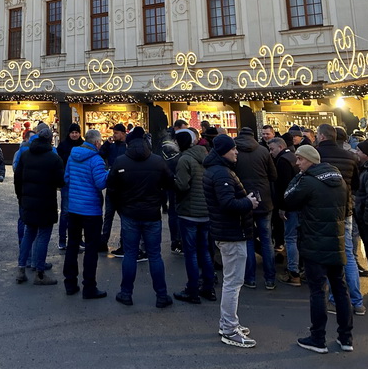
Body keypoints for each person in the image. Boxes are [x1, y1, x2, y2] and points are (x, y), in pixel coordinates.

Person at [283, 144, 353, 353]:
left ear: (310, 161)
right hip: (336, 241)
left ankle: (318, 338)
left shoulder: (308, 182)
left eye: (300, 160)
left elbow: (288, 199)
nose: (297, 164)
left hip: (314, 244)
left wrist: (299, 177)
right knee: (340, 290)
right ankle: (346, 338)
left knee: (317, 291)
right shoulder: (339, 181)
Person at [107, 126, 173, 308]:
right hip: (152, 214)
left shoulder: (121, 162)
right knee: (154, 255)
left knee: (129, 253)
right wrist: (160, 199)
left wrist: (122, 204)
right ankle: (161, 295)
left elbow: (111, 188)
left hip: (129, 213)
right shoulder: (157, 161)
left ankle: (126, 293)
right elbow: (170, 183)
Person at [203, 133, 259, 348]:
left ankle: (228, 323)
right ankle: (229, 328)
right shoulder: (222, 174)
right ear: (223, 151)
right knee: (233, 282)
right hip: (232, 233)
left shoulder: (217, 171)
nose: (236, 152)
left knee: (232, 281)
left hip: (228, 232)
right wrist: (248, 202)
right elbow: (227, 204)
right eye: (233, 148)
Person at [315, 122, 365, 314]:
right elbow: (356, 185)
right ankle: (357, 301)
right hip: (346, 209)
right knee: (349, 254)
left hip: (324, 211)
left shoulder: (318, 156)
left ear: (321, 136)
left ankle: (335, 299)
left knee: (330, 255)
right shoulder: (351, 157)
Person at [14, 126, 64, 285]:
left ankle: (21, 269)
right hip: (46, 202)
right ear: (50, 139)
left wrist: (20, 197)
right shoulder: (54, 158)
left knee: (28, 234)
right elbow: (60, 182)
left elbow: (17, 177)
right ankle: (40, 273)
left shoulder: (26, 155)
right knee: (43, 236)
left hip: (28, 201)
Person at [62, 129, 108, 299]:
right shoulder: (96, 160)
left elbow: (66, 178)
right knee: (91, 249)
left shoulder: (72, 156)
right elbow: (101, 183)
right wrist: (110, 173)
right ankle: (89, 286)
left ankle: (70, 283)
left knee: (72, 245)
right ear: (96, 143)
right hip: (91, 210)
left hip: (74, 208)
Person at [173, 130, 216, 303]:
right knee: (204, 250)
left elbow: (182, 185)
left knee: (190, 253)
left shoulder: (184, 160)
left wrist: (172, 181)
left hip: (189, 211)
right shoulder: (206, 156)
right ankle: (208, 286)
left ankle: (192, 290)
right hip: (206, 210)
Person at [233, 126, 277, 289]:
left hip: (244, 199)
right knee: (266, 239)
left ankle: (250, 278)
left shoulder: (235, 151)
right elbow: (273, 175)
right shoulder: (264, 151)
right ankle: (270, 279)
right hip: (263, 198)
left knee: (248, 239)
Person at [268, 137, 300, 285]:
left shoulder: (282, 161)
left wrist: (282, 207)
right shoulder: (293, 157)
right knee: (297, 238)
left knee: (290, 238)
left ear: (280, 147)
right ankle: (298, 268)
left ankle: (293, 272)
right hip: (299, 204)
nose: (271, 152)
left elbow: (284, 186)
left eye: (272, 149)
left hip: (290, 206)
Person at [98, 123, 127, 254]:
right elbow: (101, 154)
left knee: (123, 217)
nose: (113, 135)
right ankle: (103, 242)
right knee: (108, 215)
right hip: (112, 186)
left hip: (122, 187)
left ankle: (123, 243)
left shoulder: (127, 147)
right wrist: (106, 144)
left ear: (123, 133)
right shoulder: (111, 146)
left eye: (116, 133)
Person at [56, 122, 82, 250]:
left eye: (76, 132)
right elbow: (59, 164)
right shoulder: (63, 146)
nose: (74, 135)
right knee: (65, 211)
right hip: (67, 182)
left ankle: (78, 239)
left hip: (80, 182)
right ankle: (62, 239)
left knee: (79, 212)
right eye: (72, 132)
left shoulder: (83, 145)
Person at [354, 139, 368, 270]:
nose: (356, 152)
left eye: (359, 150)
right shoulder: (364, 169)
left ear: (366, 154)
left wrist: (366, 219)